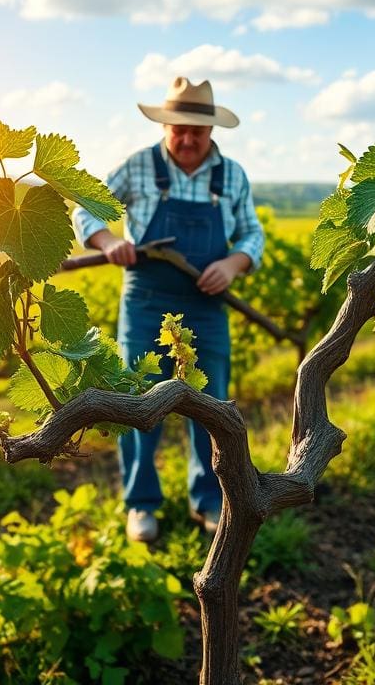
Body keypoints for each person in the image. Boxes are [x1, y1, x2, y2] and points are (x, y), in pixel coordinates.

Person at [72, 76, 264, 542]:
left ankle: (210, 500)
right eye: (180, 129)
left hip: (206, 304)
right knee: (138, 404)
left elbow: (252, 234)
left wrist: (232, 264)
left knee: (212, 408)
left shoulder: (232, 176)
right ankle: (141, 504)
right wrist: (110, 241)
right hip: (146, 302)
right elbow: (86, 209)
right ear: (165, 126)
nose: (188, 139)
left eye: (197, 131)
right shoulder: (138, 166)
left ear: (212, 130)